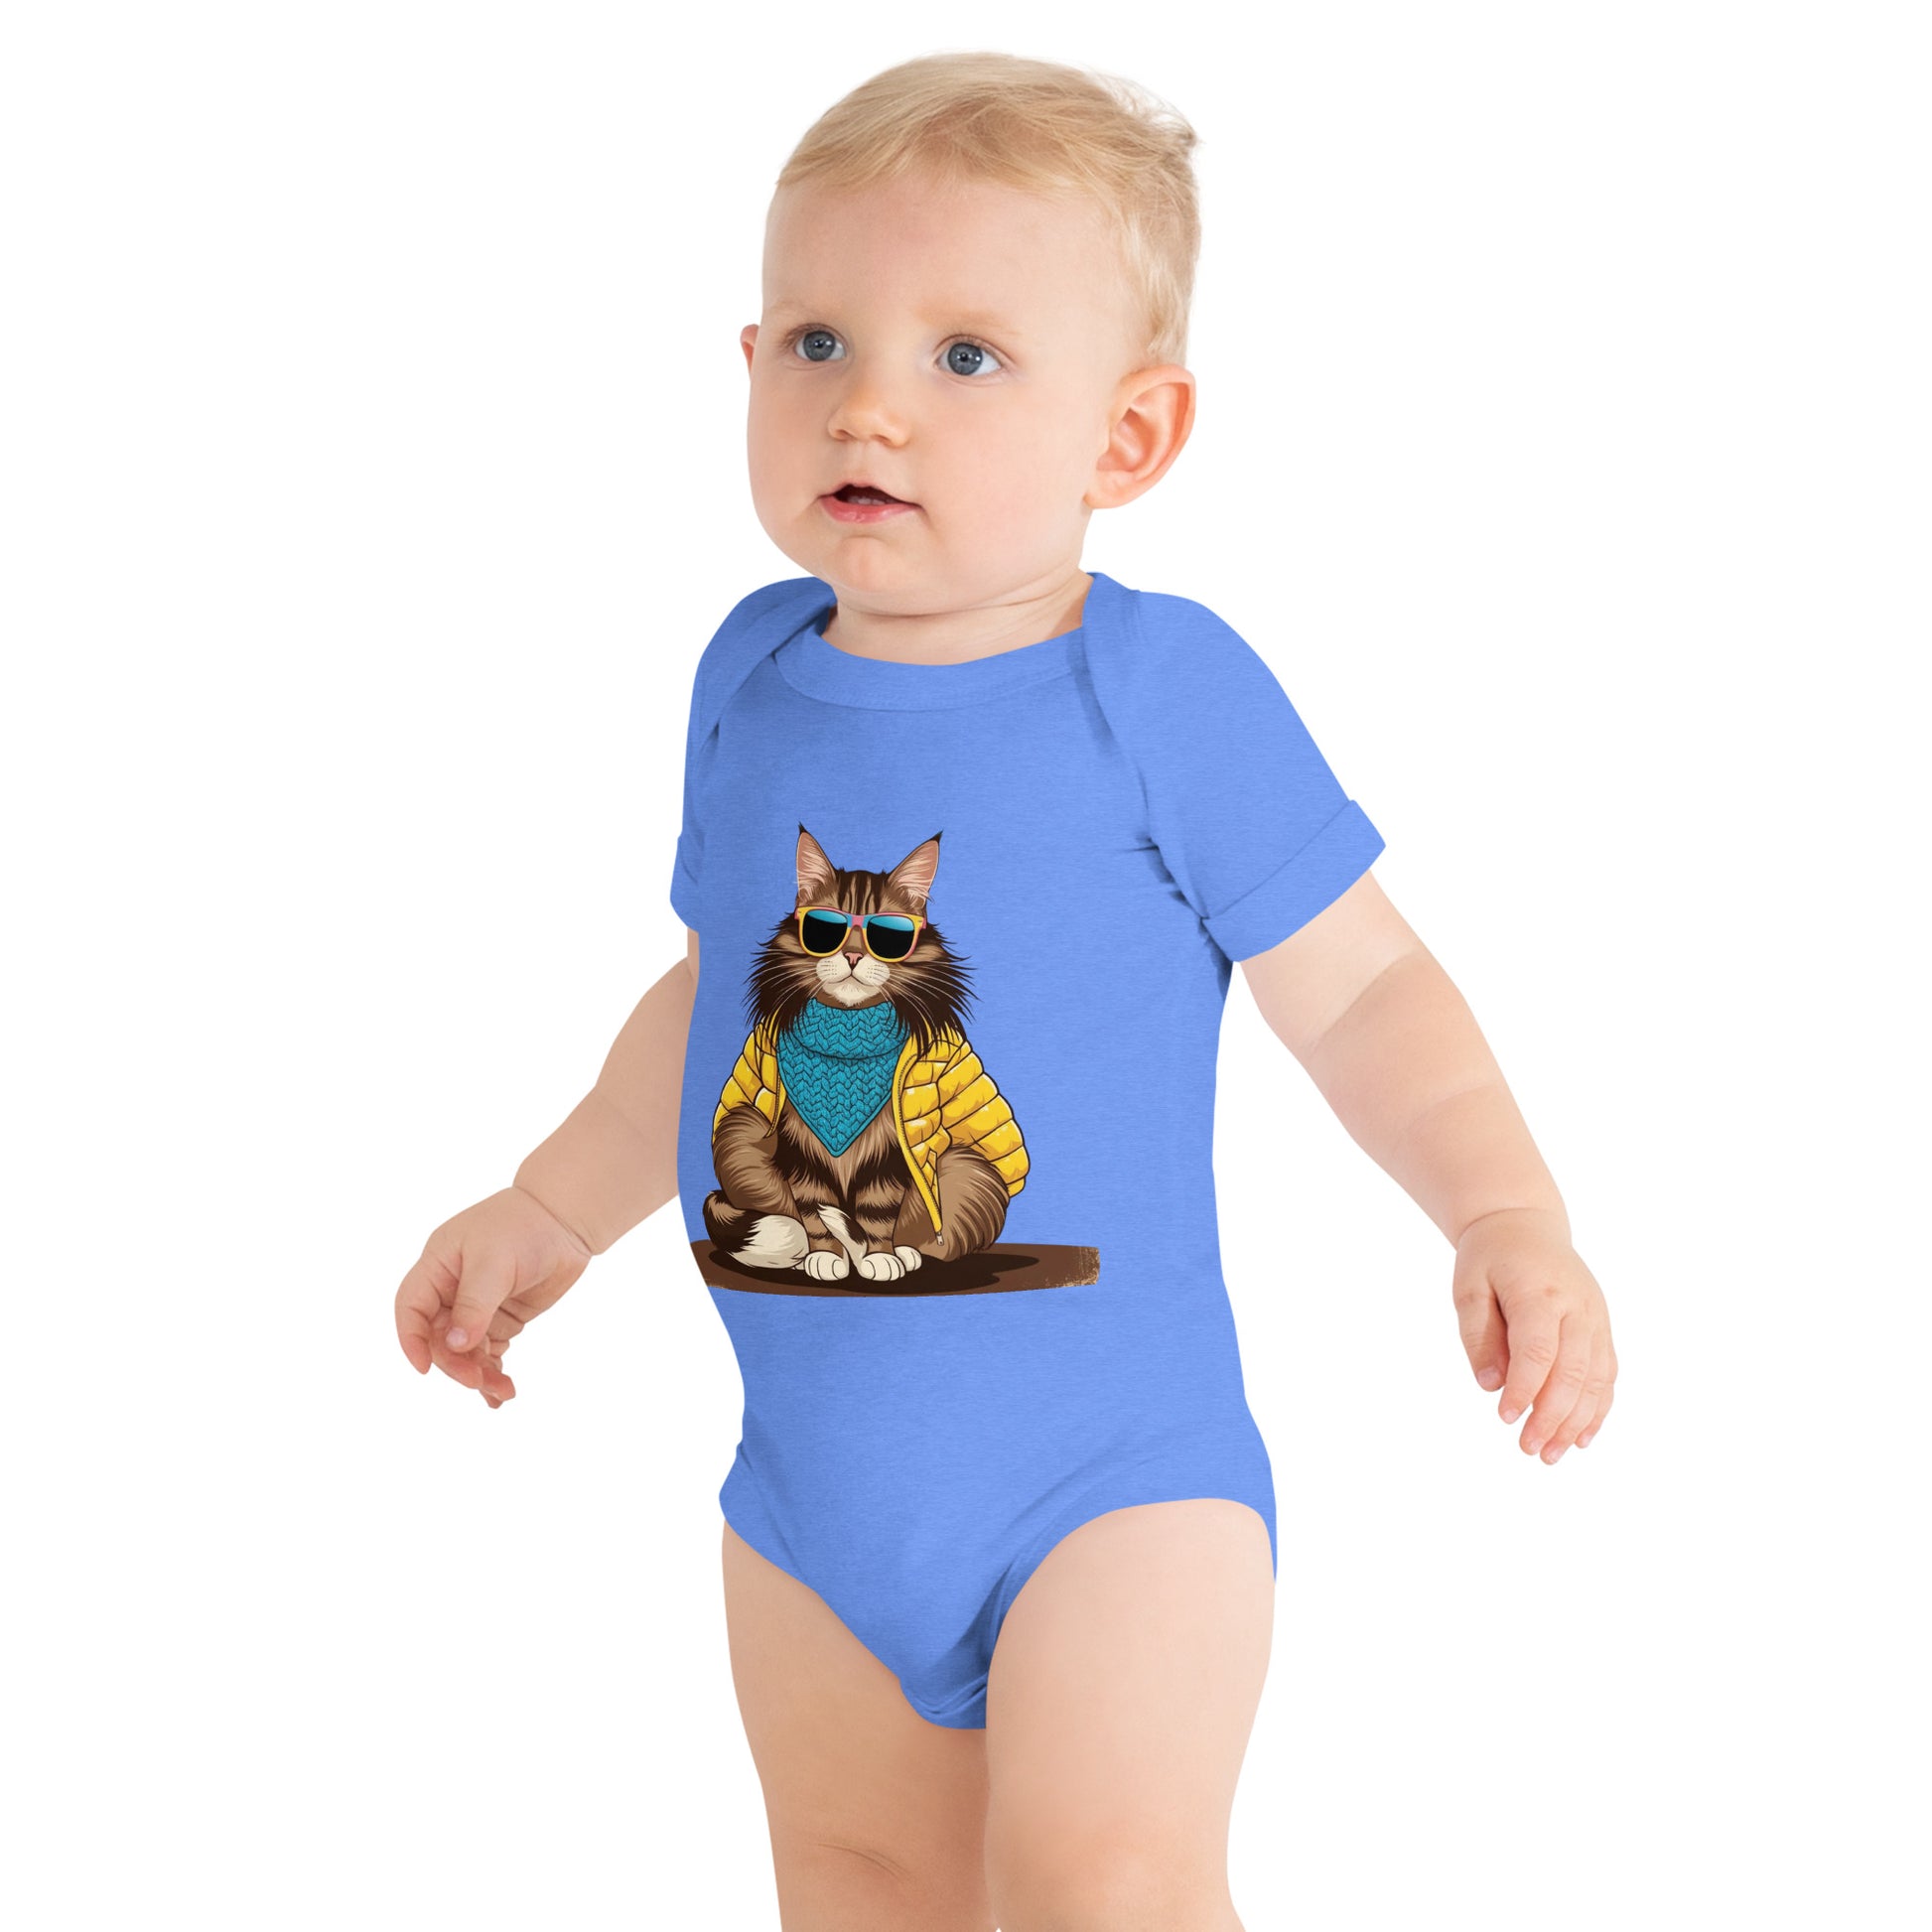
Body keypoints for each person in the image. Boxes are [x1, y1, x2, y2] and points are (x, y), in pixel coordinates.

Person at [393, 50, 1617, 1932]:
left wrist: (1502, 1209)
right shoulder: (748, 676)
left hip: (1112, 1483)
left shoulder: (1160, 691)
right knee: (860, 1888)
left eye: (965, 355)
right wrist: (552, 1203)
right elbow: (715, 1003)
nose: (869, 399)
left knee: (1105, 1887)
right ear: (746, 364)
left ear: (1126, 438)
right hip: (810, 1496)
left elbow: (1364, 985)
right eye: (818, 341)